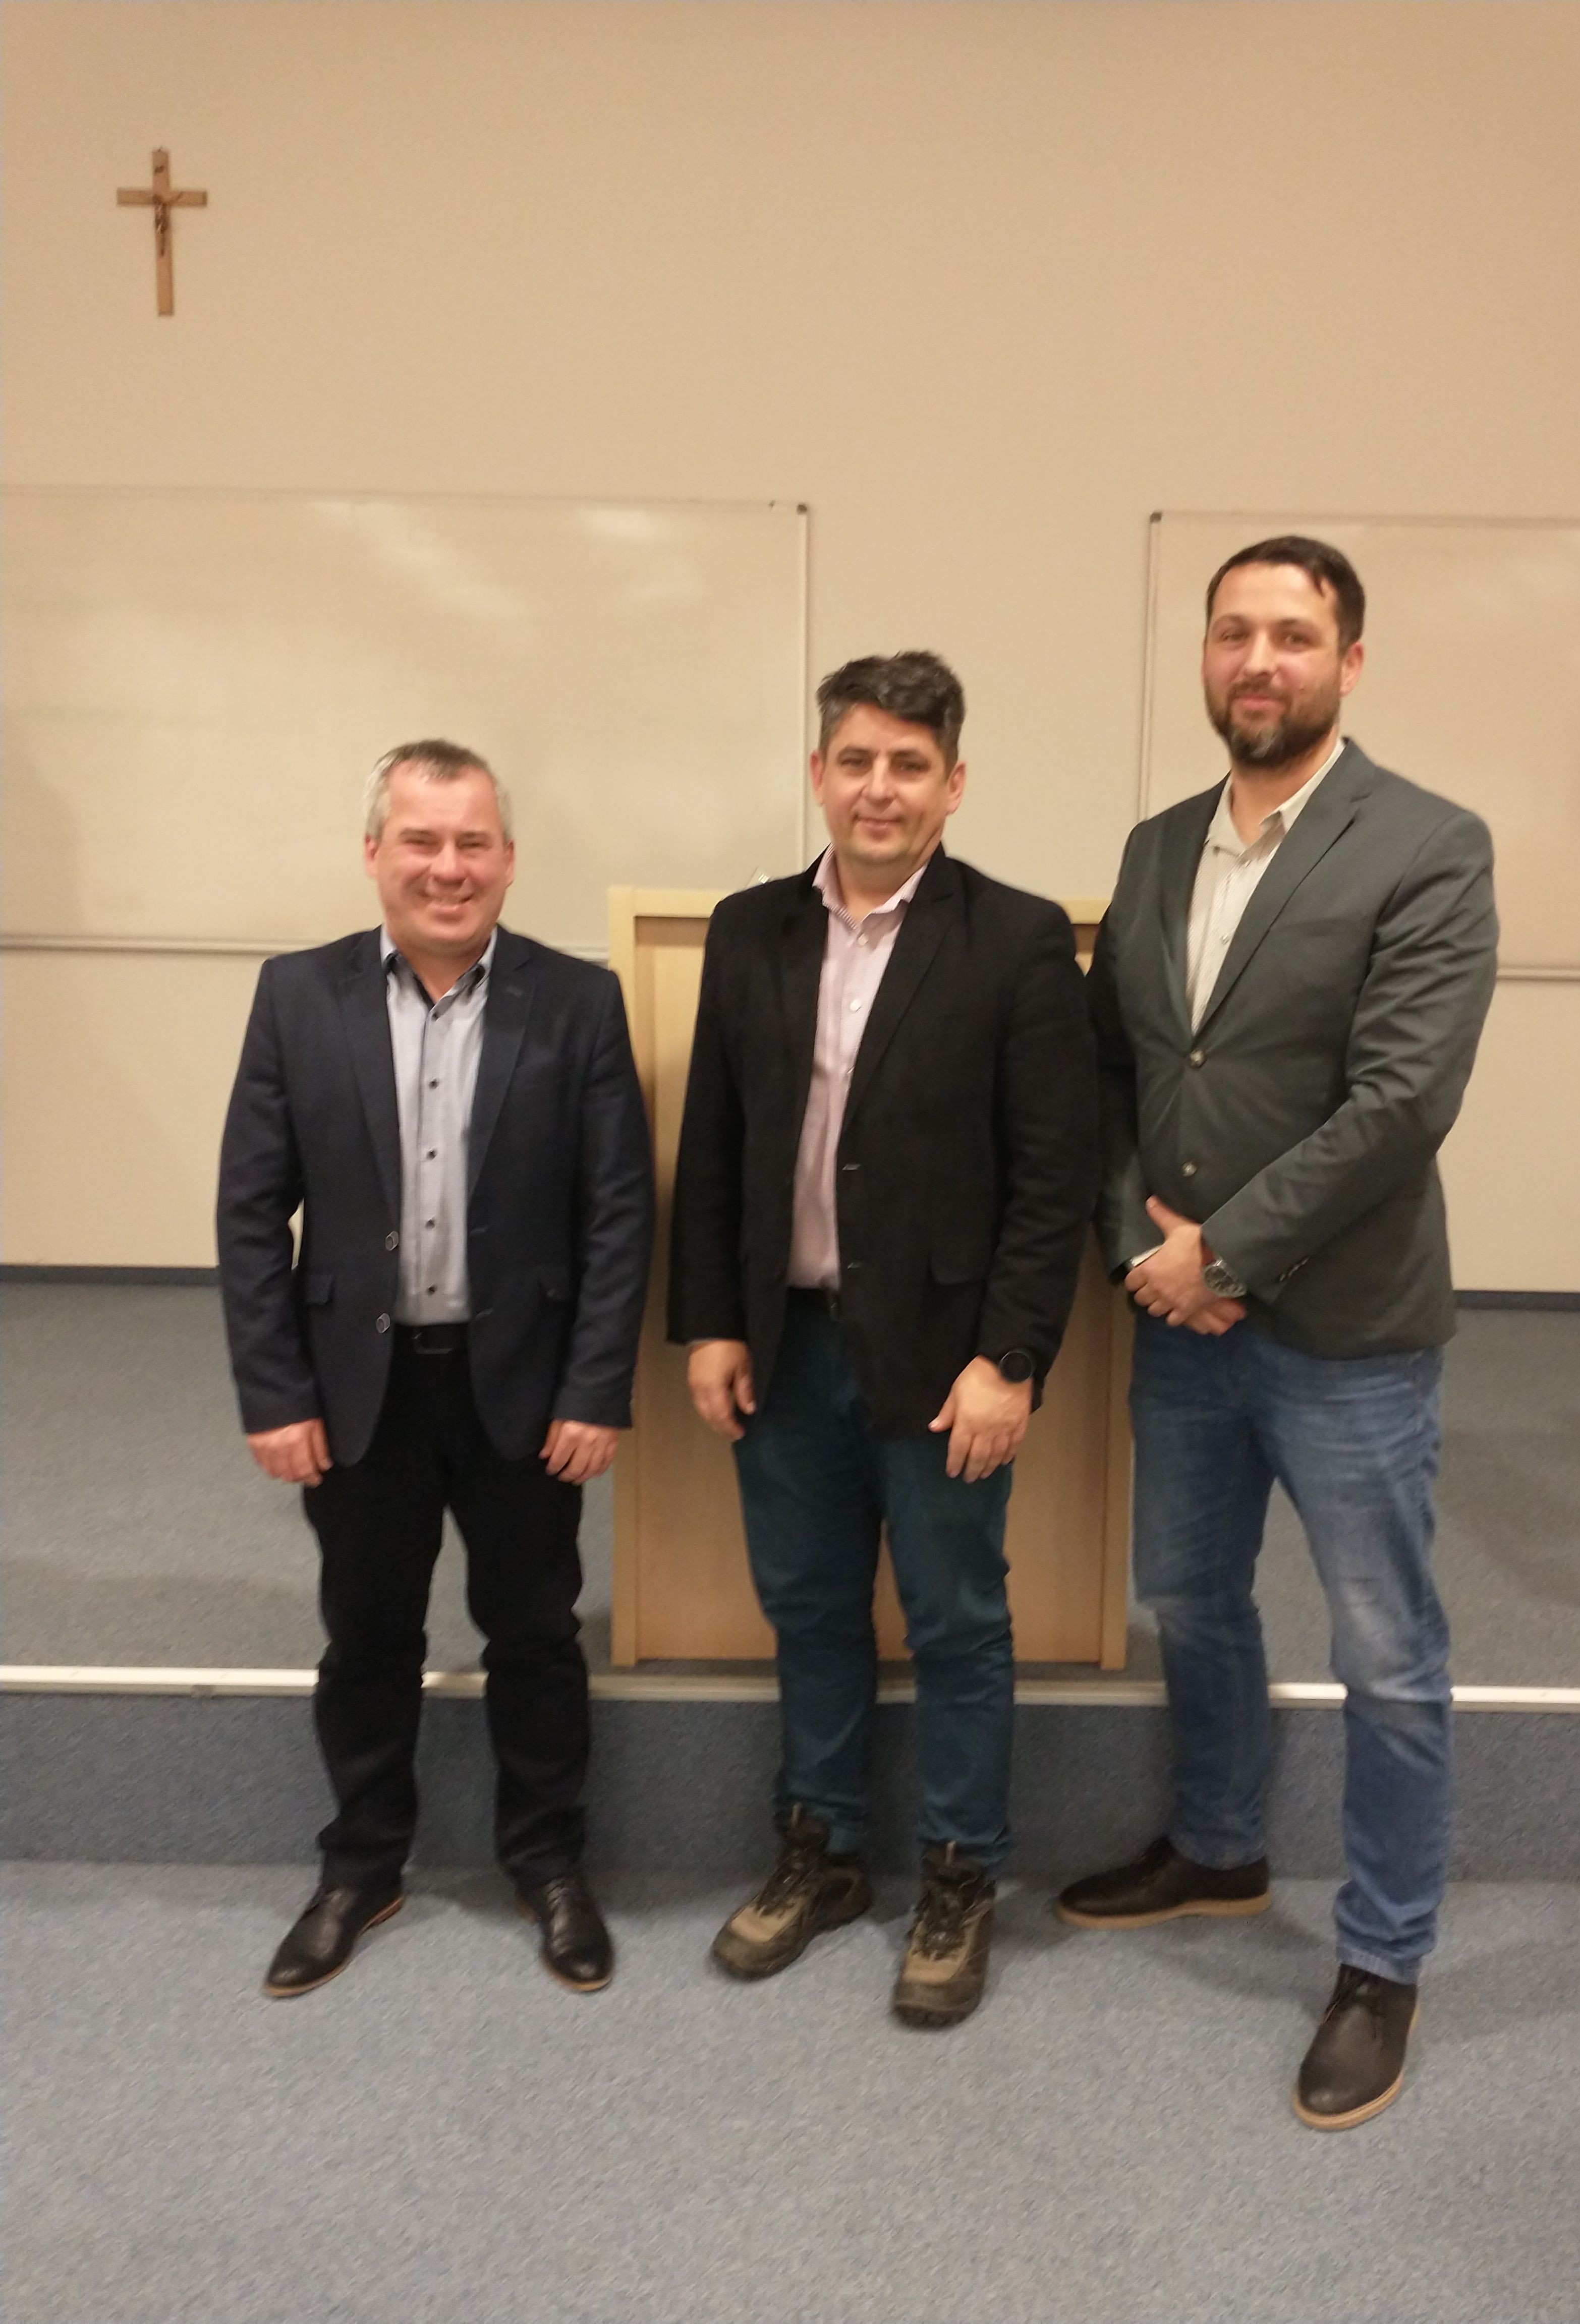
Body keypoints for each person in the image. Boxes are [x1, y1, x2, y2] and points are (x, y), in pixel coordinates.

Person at [1057, 539, 1497, 2128]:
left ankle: (1382, 1959)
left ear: (1349, 662)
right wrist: (1143, 1250)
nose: (1260, 659)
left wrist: (1224, 1253)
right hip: (1178, 1320)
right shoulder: (1156, 846)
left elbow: (1402, 1099)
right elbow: (1119, 1072)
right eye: (1234, 631)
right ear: (1205, 655)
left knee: (1387, 1651)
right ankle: (1221, 1847)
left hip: (1347, 1333)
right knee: (1190, 1595)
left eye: (1295, 635)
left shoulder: (1430, 845)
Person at [669, 652, 1097, 2027]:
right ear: (819, 774)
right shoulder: (749, 931)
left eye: (910, 765)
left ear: (953, 785)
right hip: (785, 1346)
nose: (880, 788)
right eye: (856, 760)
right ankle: (824, 1849)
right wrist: (711, 1324)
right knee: (808, 1607)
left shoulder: (1017, 940)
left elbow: (1051, 1178)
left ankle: (961, 1875)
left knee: (958, 1620)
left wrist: (1011, 1360)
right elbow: (716, 1142)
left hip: (945, 1362)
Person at [217, 739, 653, 1999]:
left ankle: (548, 1862)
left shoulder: (578, 1001)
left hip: (523, 1388)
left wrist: (594, 1388)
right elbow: (251, 1213)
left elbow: (618, 1212)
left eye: (472, 843)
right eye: (421, 840)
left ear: (508, 860)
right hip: (358, 1392)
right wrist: (275, 1392)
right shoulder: (297, 996)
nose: (447, 867)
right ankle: (361, 1865)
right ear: (376, 854)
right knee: (367, 1634)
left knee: (535, 1633)